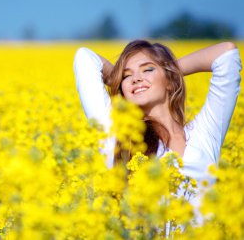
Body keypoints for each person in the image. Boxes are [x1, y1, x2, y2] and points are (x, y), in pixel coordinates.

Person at [73, 40, 241, 224]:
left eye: (148, 69)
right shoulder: (116, 135)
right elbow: (84, 58)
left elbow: (226, 54)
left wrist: (171, 72)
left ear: (170, 81)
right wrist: (122, 80)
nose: (136, 78)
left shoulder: (204, 135)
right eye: (127, 76)